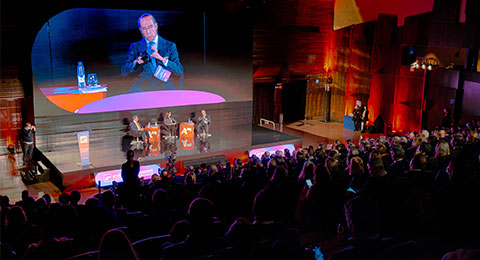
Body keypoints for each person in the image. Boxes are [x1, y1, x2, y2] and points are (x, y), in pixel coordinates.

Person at [121, 13, 184, 92]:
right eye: (144, 29)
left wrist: (163, 60)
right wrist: (135, 64)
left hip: (165, 87)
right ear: (140, 30)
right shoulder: (135, 47)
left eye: (150, 27)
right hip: (142, 88)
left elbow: (179, 70)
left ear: (156, 26)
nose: (148, 32)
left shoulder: (170, 46)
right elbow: (124, 72)